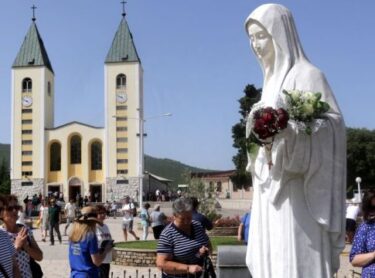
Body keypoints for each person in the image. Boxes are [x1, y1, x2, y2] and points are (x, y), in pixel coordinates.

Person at [244, 4, 346, 278]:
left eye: (261, 36)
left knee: (295, 258)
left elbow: (333, 127)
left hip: (299, 190)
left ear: (279, 34)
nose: (255, 45)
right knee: (273, 259)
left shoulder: (309, 75)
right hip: (270, 189)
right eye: (251, 38)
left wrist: (292, 133)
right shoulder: (268, 85)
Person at [156, 197, 212, 277]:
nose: (186, 222)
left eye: (189, 218)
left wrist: (205, 250)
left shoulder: (198, 226)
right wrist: (188, 268)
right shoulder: (168, 234)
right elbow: (161, 264)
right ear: (174, 216)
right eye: (182, 219)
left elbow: (208, 246)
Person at [0, 195, 43, 278]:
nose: (14, 211)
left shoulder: (25, 230)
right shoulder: (2, 233)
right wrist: (16, 246)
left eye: (16, 207)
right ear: (1, 213)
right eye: (10, 208)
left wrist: (26, 247)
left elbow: (39, 256)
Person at [69, 206, 113, 277]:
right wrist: (105, 250)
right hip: (88, 274)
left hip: (75, 273)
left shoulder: (73, 234)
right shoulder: (90, 236)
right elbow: (97, 262)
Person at [95, 205, 113, 278]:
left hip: (107, 260)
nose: (103, 215)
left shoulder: (105, 226)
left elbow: (109, 238)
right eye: (100, 213)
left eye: (104, 213)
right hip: (99, 261)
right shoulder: (94, 227)